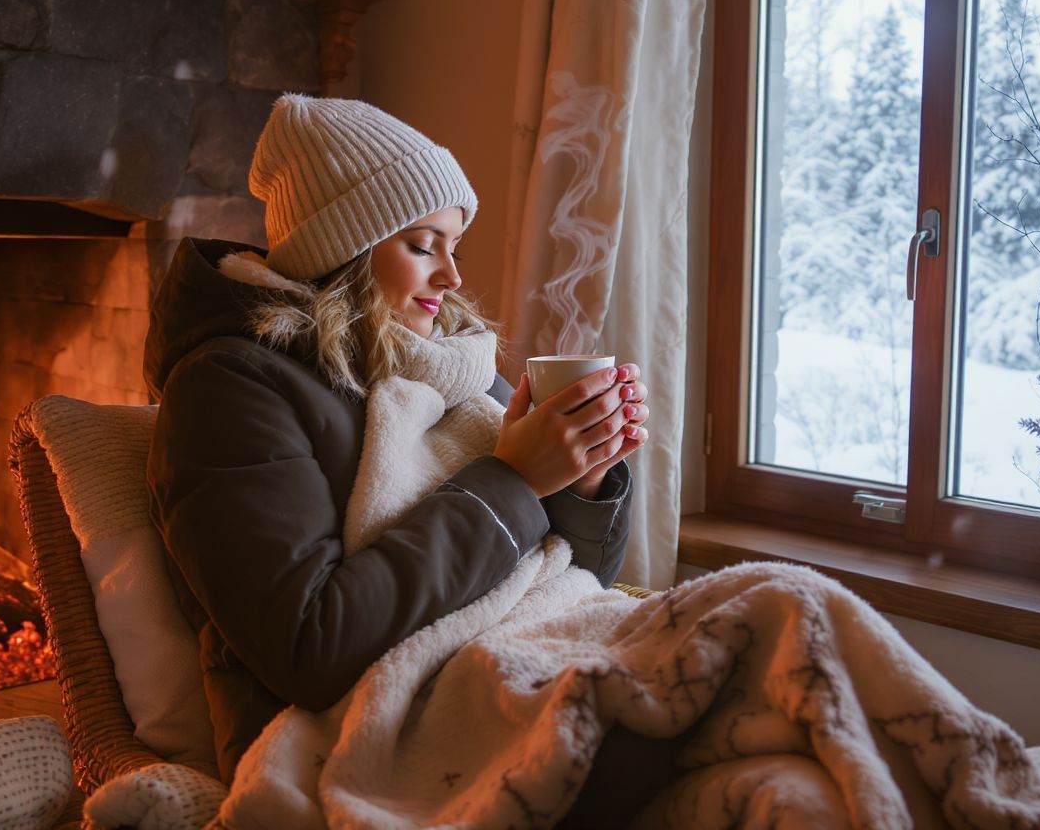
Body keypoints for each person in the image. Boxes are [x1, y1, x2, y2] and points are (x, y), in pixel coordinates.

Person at [142, 95, 658, 818]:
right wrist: (512, 480)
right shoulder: (230, 389)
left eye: (455, 247)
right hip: (364, 734)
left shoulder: (448, 365)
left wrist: (585, 476)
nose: (450, 278)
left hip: (510, 679)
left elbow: (565, 582)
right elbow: (310, 646)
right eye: (423, 244)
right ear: (344, 248)